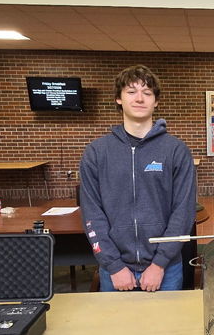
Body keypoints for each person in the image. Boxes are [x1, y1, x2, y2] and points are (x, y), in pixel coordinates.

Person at [80, 65, 196, 292]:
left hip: (166, 269)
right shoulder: (96, 152)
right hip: (114, 271)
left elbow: (183, 213)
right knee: (118, 328)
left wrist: (159, 264)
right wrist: (114, 266)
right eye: (131, 91)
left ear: (156, 101)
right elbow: (92, 214)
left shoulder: (176, 151)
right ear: (118, 99)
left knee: (167, 328)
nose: (140, 98)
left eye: (147, 92)